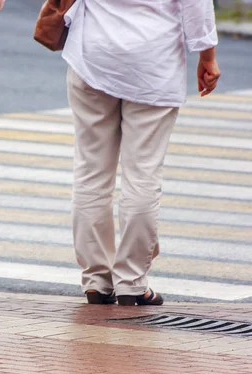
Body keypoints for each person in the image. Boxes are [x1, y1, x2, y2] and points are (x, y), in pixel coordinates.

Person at [62, 0, 221, 306]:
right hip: (153, 61)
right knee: (143, 175)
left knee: (91, 172)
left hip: (93, 53)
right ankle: (132, 281)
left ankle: (96, 279)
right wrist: (207, 55)